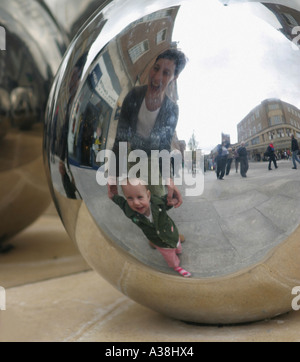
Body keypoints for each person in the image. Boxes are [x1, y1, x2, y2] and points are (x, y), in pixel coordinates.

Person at [109, 48, 187, 207]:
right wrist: (113, 176)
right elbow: (121, 138)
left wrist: (168, 179)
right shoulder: (134, 95)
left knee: (159, 201)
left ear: (174, 77)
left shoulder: (171, 109)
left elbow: (164, 146)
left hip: (153, 158)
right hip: (132, 155)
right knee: (134, 201)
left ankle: (163, 231)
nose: (157, 77)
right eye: (156, 68)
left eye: (166, 73)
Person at [108, 178, 191, 278]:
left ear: (148, 195)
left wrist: (172, 197)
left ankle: (178, 250)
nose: (136, 203)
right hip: (158, 241)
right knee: (169, 256)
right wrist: (113, 196)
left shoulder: (157, 203)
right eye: (130, 198)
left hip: (170, 232)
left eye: (140, 197)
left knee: (176, 242)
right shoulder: (128, 208)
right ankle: (175, 266)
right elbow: (120, 202)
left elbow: (168, 201)